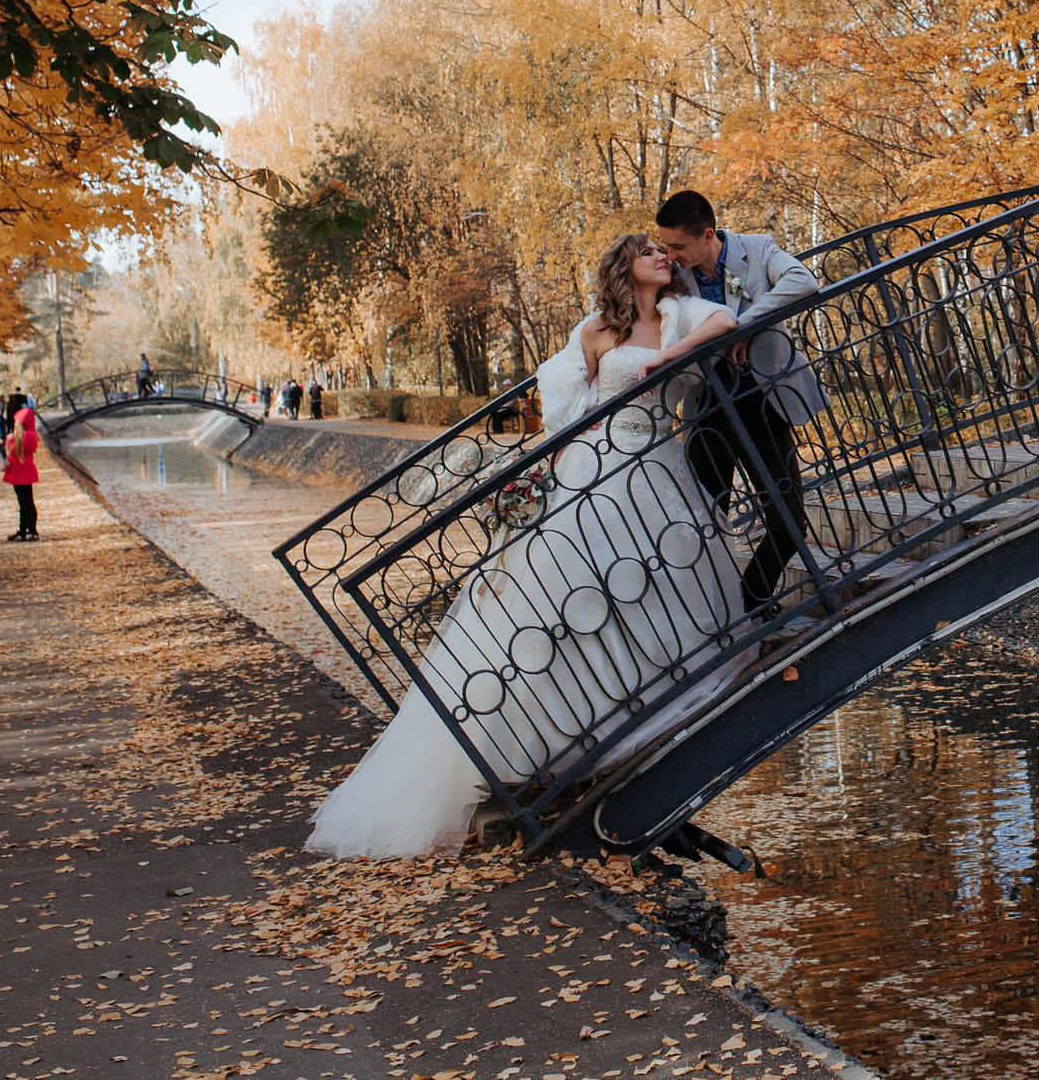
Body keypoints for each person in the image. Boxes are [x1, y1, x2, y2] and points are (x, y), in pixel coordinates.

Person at [307, 232, 745, 858]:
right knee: (576, 592)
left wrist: (659, 359)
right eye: (646, 250)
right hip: (598, 464)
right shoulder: (596, 330)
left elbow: (727, 319)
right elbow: (570, 410)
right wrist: (547, 476)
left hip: (658, 462)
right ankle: (553, 730)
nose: (660, 256)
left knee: (650, 583)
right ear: (625, 267)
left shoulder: (681, 313)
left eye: (662, 250)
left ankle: (636, 705)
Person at [651, 189, 826, 620]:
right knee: (706, 523)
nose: (670, 255)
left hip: (765, 403)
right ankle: (707, 619)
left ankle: (749, 603)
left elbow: (804, 281)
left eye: (677, 246)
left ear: (708, 235)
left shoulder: (757, 248)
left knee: (789, 523)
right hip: (707, 407)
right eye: (666, 246)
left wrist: (742, 326)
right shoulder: (673, 277)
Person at [2, 399, 41, 541]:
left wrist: (8, 440)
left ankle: (32, 530)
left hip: (22, 471)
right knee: (24, 501)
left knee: (27, 501)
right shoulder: (29, 434)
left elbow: (14, 450)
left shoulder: (26, 436)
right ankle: (24, 529)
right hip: (22, 470)